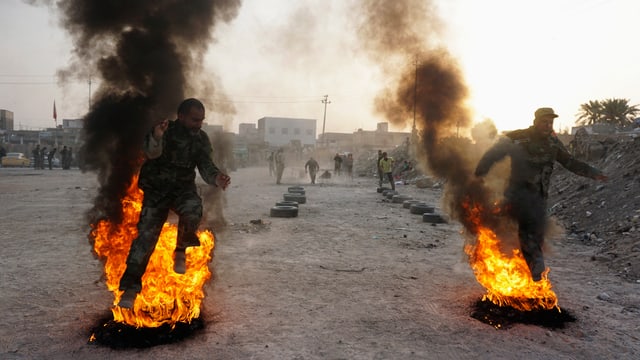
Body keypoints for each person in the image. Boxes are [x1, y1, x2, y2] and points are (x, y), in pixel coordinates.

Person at [118, 98, 230, 308]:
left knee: (193, 209)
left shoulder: (201, 139)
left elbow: (206, 165)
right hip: (157, 190)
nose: (199, 124)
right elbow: (150, 153)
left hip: (182, 189)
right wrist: (157, 137)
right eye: (195, 120)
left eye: (202, 120)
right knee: (145, 239)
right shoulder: (164, 130)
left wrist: (217, 178)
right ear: (181, 116)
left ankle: (180, 251)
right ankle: (130, 290)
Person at [474, 107, 607, 281]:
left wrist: (593, 172)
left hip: (538, 199)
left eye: (550, 122)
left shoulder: (553, 143)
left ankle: (532, 275)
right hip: (518, 196)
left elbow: (570, 162)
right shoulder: (519, 138)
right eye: (544, 122)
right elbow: (493, 154)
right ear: (536, 122)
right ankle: (533, 274)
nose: (548, 125)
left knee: (534, 237)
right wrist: (480, 173)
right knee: (519, 234)